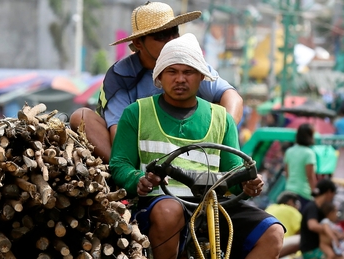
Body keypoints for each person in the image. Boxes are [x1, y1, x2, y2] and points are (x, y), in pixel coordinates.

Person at [109, 33, 283, 259]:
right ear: (159, 77)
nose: (180, 79)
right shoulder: (136, 113)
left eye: (188, 72)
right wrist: (138, 180)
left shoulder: (221, 118)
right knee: (169, 210)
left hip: (212, 207)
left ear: (201, 77)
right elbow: (119, 164)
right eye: (172, 72)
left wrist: (247, 185)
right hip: (157, 209)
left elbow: (232, 171)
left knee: (273, 233)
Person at [69, 1, 243, 162]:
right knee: (81, 116)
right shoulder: (122, 74)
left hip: (192, 146)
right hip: (137, 149)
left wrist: (223, 134)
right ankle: (127, 173)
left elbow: (232, 97)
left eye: (173, 32)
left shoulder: (189, 62)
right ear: (138, 43)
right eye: (161, 35)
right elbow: (119, 134)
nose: (171, 41)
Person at [299, 179, 344, 259]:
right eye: (333, 194)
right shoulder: (312, 207)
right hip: (312, 248)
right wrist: (332, 232)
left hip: (322, 246)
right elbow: (312, 225)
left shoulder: (322, 208)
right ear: (329, 192)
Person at [283, 123, 318, 208]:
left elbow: (287, 173)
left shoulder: (289, 151)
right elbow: (310, 176)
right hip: (303, 193)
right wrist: (315, 191)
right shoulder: (309, 153)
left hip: (289, 191)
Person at [266, 192, 302, 257]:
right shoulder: (292, 210)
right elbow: (302, 233)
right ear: (290, 202)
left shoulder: (269, 208)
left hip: (264, 249)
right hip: (284, 252)